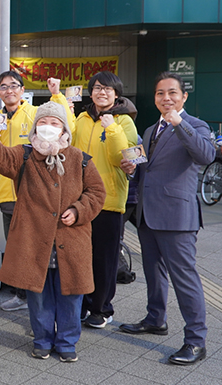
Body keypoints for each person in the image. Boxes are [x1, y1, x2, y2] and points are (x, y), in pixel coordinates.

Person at [0, 102, 106, 363]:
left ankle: (67, 341)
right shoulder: (24, 155)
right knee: (39, 296)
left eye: (55, 123)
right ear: (35, 127)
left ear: (64, 129)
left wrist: (79, 210)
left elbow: (97, 193)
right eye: (43, 123)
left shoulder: (80, 159)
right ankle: (42, 339)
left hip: (70, 239)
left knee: (71, 295)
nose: (48, 127)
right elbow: (0, 157)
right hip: (34, 240)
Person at [119, 72, 215, 365]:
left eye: (172, 93)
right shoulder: (150, 130)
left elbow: (206, 155)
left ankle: (196, 341)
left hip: (177, 217)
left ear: (183, 97)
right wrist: (132, 168)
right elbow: (149, 167)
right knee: (154, 272)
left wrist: (180, 124)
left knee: (184, 279)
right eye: (160, 93)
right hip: (148, 215)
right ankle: (155, 319)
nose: (166, 98)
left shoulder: (195, 125)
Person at [0, 71, 74, 313]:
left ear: (22, 90)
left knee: (38, 250)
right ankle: (22, 295)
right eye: (3, 87)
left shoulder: (36, 114)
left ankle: (42, 300)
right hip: (7, 195)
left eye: (14, 86)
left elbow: (66, 124)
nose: (9, 90)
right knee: (16, 248)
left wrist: (57, 95)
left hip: (35, 195)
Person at [69, 72, 138, 329]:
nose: (102, 92)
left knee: (104, 258)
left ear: (116, 94)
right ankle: (84, 305)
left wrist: (113, 128)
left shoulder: (125, 122)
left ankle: (102, 308)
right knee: (82, 256)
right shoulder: (83, 118)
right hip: (81, 200)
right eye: (97, 88)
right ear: (90, 92)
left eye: (108, 89)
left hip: (109, 201)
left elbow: (124, 158)